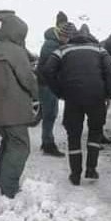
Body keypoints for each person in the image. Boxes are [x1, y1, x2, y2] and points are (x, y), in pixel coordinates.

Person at [42, 22, 111, 185]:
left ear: (71, 37)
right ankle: (91, 169)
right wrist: (109, 94)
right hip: (96, 97)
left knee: (73, 135)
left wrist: (60, 91)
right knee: (95, 131)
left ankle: (75, 174)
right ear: (88, 37)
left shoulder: (62, 50)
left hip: (72, 97)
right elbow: (110, 71)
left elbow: (47, 71)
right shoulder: (99, 50)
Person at [0, 12, 39, 198]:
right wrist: (36, 95)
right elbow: (27, 79)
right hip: (14, 109)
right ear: (17, 33)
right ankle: (9, 188)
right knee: (20, 146)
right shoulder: (16, 52)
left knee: (7, 143)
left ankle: (2, 178)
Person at [37, 11, 69, 157]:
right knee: (49, 114)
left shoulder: (55, 42)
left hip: (50, 84)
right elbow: (52, 65)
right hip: (46, 84)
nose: (67, 39)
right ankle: (48, 144)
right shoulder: (51, 44)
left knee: (51, 113)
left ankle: (47, 142)